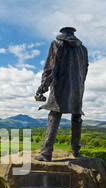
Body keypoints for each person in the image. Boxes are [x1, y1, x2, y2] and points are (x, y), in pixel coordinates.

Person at [35, 27, 89, 161]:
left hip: (61, 86)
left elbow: (51, 67)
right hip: (78, 87)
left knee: (54, 115)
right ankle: (76, 149)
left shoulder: (57, 44)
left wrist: (43, 86)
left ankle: (46, 152)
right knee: (77, 117)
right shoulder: (83, 49)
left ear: (62, 32)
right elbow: (85, 69)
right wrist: (80, 85)